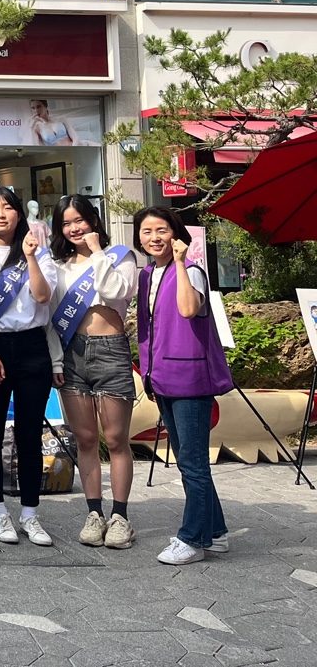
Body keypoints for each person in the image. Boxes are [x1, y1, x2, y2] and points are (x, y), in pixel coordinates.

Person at [134, 206, 233, 566]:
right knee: (188, 462)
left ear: (176, 233)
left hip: (190, 379)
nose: (154, 238)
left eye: (161, 230)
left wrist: (180, 262)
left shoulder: (192, 271)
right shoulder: (146, 274)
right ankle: (217, 533)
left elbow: (189, 310)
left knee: (193, 464)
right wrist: (147, 373)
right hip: (162, 377)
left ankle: (192, 538)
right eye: (146, 231)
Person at [0, 187, 61, 547]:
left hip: (32, 346)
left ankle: (29, 513)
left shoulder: (39, 249)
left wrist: (32, 257)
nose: (1, 213)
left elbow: (43, 296)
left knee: (28, 433)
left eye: (8, 206)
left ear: (19, 214)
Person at [52, 195, 139, 550]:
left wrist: (97, 251)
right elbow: (50, 319)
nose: (74, 228)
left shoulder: (121, 256)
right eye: (67, 223)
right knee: (85, 439)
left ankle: (120, 516)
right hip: (72, 354)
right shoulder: (57, 265)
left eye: (80, 221)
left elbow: (115, 291)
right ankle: (94, 512)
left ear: (94, 220)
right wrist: (56, 360)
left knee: (116, 439)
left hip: (111, 350)